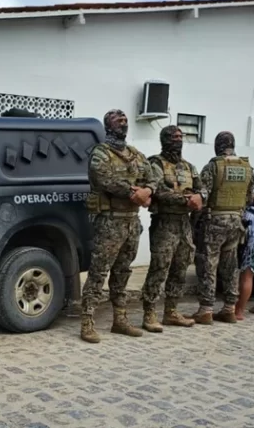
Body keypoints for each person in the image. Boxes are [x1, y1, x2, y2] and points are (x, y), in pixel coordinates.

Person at [80, 109, 157, 343]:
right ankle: (87, 322)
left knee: (123, 271)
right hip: (109, 221)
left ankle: (120, 320)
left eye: (125, 120)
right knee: (99, 272)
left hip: (131, 222)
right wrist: (136, 192)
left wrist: (148, 190)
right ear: (108, 125)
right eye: (118, 120)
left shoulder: (135, 154)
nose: (123, 123)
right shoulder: (100, 154)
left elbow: (152, 177)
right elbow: (105, 179)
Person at [191, 131, 254, 324]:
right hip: (236, 221)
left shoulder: (213, 166)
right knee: (231, 266)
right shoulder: (247, 168)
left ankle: (205, 309)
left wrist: (194, 222)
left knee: (208, 264)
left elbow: (203, 195)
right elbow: (248, 198)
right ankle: (229, 308)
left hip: (214, 220)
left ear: (217, 146)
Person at [140, 126, 205, 332]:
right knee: (159, 267)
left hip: (184, 223)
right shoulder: (156, 163)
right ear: (164, 140)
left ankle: (171, 311)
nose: (177, 140)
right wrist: (187, 200)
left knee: (181, 267)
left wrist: (200, 197)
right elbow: (158, 191)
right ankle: (149, 313)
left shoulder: (189, 167)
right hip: (164, 223)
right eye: (173, 137)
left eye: (180, 137)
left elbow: (202, 187)